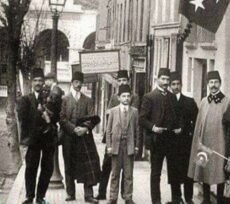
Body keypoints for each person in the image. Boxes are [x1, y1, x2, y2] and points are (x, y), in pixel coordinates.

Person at [17, 68, 59, 204]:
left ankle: (41, 197)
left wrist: (49, 117)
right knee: (31, 168)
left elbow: (57, 117)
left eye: (40, 80)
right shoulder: (25, 99)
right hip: (33, 139)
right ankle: (29, 196)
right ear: (31, 82)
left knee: (47, 169)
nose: (38, 83)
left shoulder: (51, 99)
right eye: (35, 80)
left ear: (44, 82)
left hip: (48, 140)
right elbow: (23, 119)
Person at [96, 70, 139, 200]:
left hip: (128, 138)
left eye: (124, 81)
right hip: (114, 138)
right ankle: (104, 192)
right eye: (119, 81)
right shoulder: (115, 96)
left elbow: (135, 122)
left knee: (127, 171)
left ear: (128, 81)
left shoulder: (134, 97)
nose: (121, 83)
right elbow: (109, 113)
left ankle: (126, 195)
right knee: (109, 166)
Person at [188, 71, 230, 204]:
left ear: (220, 83)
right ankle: (206, 199)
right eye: (211, 82)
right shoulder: (203, 101)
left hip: (220, 142)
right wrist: (198, 142)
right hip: (204, 143)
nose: (213, 85)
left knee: (219, 173)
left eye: (216, 82)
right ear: (207, 84)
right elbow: (199, 125)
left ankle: (220, 200)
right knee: (204, 170)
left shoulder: (227, 102)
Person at [139, 68, 180, 204]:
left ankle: (176, 199)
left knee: (174, 171)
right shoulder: (149, 97)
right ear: (157, 79)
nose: (165, 82)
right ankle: (156, 201)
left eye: (168, 80)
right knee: (156, 173)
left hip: (171, 140)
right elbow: (142, 119)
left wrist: (178, 128)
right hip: (157, 141)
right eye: (163, 79)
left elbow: (176, 117)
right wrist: (153, 128)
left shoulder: (172, 96)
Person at [60, 71, 101, 203]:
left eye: (80, 83)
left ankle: (88, 195)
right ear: (72, 82)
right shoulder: (64, 100)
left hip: (84, 138)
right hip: (69, 137)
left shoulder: (88, 100)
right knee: (69, 164)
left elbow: (93, 117)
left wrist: (84, 129)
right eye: (76, 82)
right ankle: (70, 193)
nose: (78, 85)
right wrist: (73, 129)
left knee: (87, 165)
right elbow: (62, 119)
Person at [166, 72, 198, 204]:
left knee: (187, 170)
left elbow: (196, 121)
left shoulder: (189, 102)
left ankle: (188, 197)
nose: (175, 87)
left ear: (181, 85)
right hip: (171, 141)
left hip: (186, 142)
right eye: (173, 84)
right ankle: (176, 197)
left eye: (178, 84)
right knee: (173, 170)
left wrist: (184, 130)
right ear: (170, 86)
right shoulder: (166, 101)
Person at [106, 85, 139, 204]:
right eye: (123, 96)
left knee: (128, 174)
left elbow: (137, 130)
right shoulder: (114, 111)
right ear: (119, 98)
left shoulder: (134, 111)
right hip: (116, 146)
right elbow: (108, 130)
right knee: (115, 173)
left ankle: (128, 197)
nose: (126, 98)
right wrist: (109, 146)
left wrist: (136, 146)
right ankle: (113, 197)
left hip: (128, 146)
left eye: (128, 96)